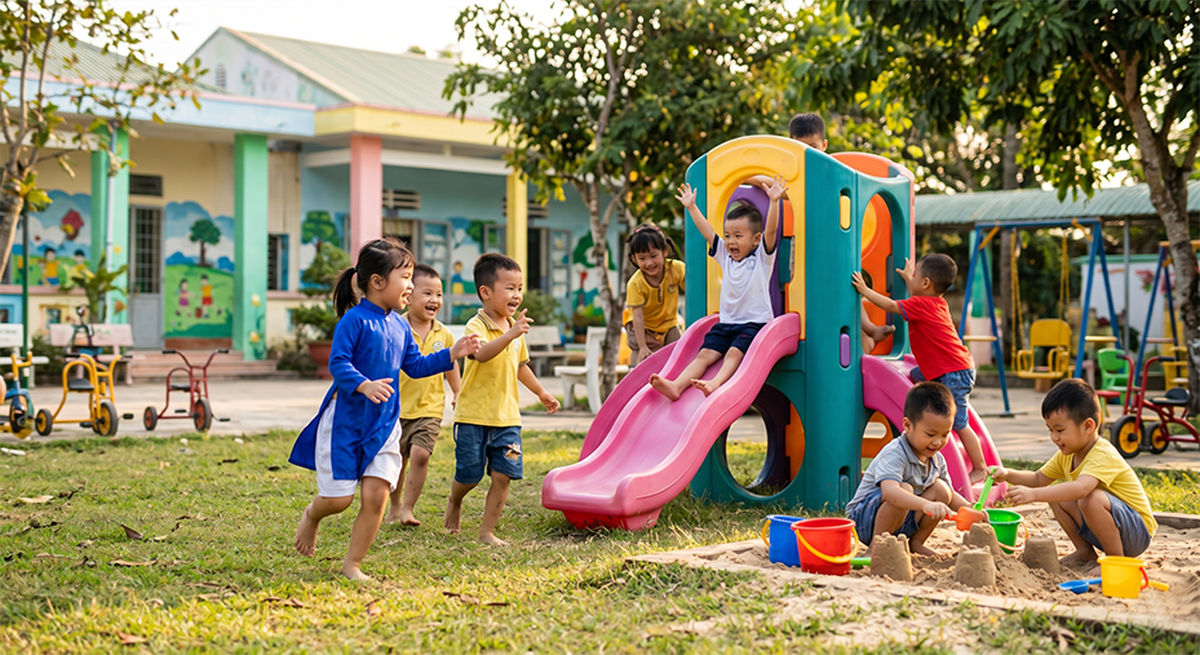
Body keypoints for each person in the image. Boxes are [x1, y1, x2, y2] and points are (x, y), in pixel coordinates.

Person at [289, 238, 480, 580]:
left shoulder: (400, 325)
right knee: (339, 501)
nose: (411, 285)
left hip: (384, 424)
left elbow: (416, 366)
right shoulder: (354, 321)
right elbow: (338, 363)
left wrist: (452, 353)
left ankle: (353, 564)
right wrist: (364, 384)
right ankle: (312, 515)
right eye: (405, 277)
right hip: (346, 423)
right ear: (377, 282)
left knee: (376, 496)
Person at [751, 112, 894, 352]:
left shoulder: (832, 173)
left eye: (813, 147)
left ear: (824, 145)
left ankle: (869, 329)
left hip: (834, 245)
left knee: (847, 287)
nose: (809, 153)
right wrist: (750, 176)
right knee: (813, 295)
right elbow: (771, 185)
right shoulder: (796, 178)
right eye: (800, 147)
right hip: (805, 249)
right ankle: (865, 336)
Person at [444, 253, 560, 546]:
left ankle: (486, 532)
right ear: (486, 292)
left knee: (503, 476)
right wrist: (511, 334)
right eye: (510, 288)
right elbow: (481, 354)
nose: (517, 295)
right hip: (473, 416)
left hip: (507, 418)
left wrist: (542, 392)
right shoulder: (476, 326)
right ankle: (455, 500)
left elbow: (520, 366)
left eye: (519, 288)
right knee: (469, 476)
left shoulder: (514, 327)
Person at [852, 254, 989, 483]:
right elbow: (918, 293)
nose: (912, 279)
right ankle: (978, 465)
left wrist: (865, 291)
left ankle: (980, 467)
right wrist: (909, 279)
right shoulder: (936, 302)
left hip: (952, 371)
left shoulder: (921, 305)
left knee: (958, 423)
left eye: (915, 275)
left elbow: (890, 305)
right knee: (914, 378)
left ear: (926, 283)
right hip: (944, 367)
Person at [991, 379, 1155, 569]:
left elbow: (1081, 488)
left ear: (1087, 426)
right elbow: (1038, 478)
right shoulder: (1066, 456)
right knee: (1056, 495)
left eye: (1059, 430)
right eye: (1050, 429)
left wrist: (1033, 495)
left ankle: (1116, 562)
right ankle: (1085, 552)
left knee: (1089, 498)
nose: (1054, 437)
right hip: (1110, 530)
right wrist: (1006, 473)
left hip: (1137, 532)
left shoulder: (1102, 453)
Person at [650, 176, 786, 400]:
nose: (731, 241)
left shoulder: (762, 258)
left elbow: (771, 232)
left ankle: (715, 383)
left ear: (755, 239)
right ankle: (676, 386)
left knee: (733, 353)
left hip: (754, 324)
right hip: (726, 324)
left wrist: (774, 202)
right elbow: (707, 232)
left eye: (738, 236)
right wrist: (692, 207)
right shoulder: (725, 256)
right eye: (729, 235)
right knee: (704, 355)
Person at [846, 382, 975, 555]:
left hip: (902, 520)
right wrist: (926, 505)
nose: (938, 442)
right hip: (865, 520)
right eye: (930, 434)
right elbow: (891, 492)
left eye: (945, 435)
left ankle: (916, 543)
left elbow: (950, 496)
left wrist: (971, 510)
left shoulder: (936, 459)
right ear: (907, 426)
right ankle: (876, 547)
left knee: (942, 490)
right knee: (904, 489)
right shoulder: (895, 453)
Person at [385, 263, 460, 527]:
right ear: (409, 295)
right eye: (427, 293)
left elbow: (450, 363)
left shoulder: (444, 333)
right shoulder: (395, 326)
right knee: (398, 460)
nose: (434, 300)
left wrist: (457, 391)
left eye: (439, 294)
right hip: (396, 407)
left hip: (429, 408)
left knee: (420, 454)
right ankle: (393, 506)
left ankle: (407, 508)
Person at [623, 224, 684, 365]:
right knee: (643, 359)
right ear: (634, 259)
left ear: (664, 252)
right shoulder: (635, 284)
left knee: (677, 355)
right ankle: (635, 377)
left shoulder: (676, 269)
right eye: (642, 258)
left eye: (653, 256)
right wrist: (643, 346)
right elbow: (637, 315)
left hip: (668, 323)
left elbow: (693, 290)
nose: (649, 263)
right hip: (642, 327)